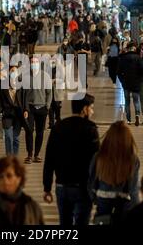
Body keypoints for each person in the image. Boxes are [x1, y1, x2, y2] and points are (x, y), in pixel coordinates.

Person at [43, 94, 100, 225]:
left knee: (65, 223)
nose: (92, 111)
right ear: (84, 109)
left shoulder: (58, 127)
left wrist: (47, 187)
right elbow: (96, 162)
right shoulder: (90, 129)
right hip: (83, 188)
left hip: (62, 186)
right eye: (91, 108)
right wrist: (97, 188)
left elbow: (49, 159)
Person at [88, 121, 140, 225]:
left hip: (103, 198)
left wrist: (94, 197)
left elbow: (92, 180)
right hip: (124, 201)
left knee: (102, 220)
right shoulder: (132, 159)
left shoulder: (99, 156)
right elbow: (133, 188)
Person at [0, 156, 44, 225]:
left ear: (19, 178)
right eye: (0, 177)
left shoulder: (33, 208)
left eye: (9, 176)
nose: (5, 181)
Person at [0, 65, 30, 155]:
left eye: (15, 71)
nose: (13, 73)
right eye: (12, 71)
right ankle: (9, 156)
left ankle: (15, 156)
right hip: (7, 113)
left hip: (18, 114)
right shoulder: (3, 85)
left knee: (15, 137)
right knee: (8, 136)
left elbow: (25, 99)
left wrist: (26, 110)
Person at [25, 57, 52, 164]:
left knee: (40, 132)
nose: (34, 64)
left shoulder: (45, 76)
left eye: (36, 62)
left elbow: (49, 93)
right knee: (29, 131)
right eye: (32, 62)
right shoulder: (26, 77)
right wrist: (25, 108)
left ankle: (37, 154)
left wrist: (47, 106)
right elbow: (23, 94)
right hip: (30, 108)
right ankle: (29, 154)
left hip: (42, 108)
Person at [117, 42, 143, 126]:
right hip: (136, 83)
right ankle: (137, 116)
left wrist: (122, 81)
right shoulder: (138, 58)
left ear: (127, 49)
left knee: (127, 102)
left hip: (126, 83)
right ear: (134, 48)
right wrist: (139, 78)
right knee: (136, 101)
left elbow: (118, 72)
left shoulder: (123, 58)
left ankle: (128, 120)